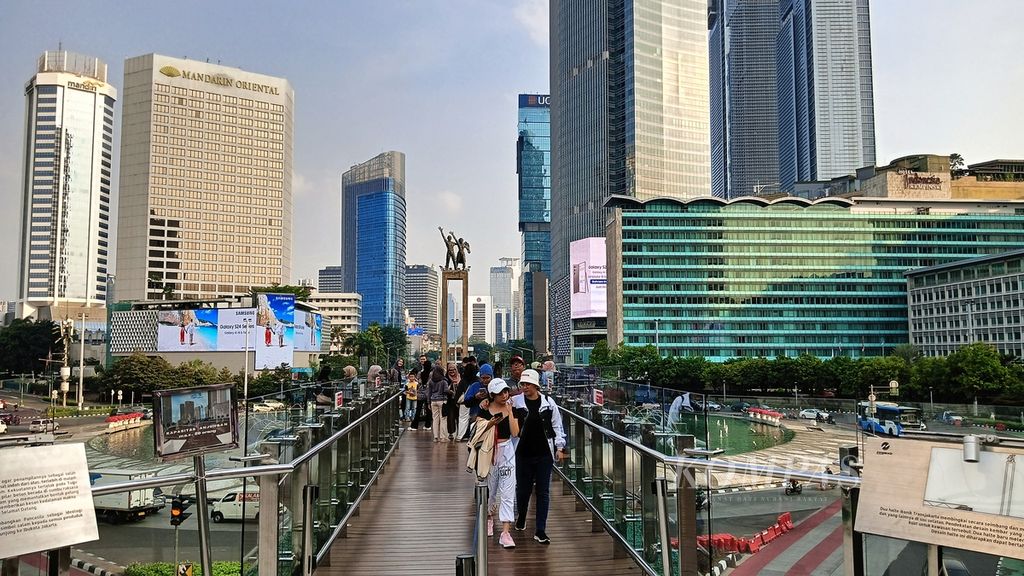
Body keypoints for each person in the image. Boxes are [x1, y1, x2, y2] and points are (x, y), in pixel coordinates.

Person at [510, 369, 566, 545]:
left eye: (527, 384)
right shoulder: (515, 402)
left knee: (543, 491)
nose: (524, 387)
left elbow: (557, 426)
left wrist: (560, 447)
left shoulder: (549, 403)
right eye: (522, 384)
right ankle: (522, 514)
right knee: (522, 489)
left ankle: (540, 529)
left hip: (544, 454)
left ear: (535, 385)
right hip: (522, 452)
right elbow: (500, 409)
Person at [476, 378, 520, 548]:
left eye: (506, 391)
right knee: (491, 489)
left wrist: (509, 412)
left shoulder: (511, 408)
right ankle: (489, 518)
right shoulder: (485, 409)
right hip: (490, 452)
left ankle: (506, 531)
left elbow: (515, 433)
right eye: (500, 392)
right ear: (492, 394)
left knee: (508, 492)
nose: (504, 395)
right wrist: (490, 423)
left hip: (507, 451)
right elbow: (478, 433)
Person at [428, 365, 450, 442]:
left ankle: (435, 437)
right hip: (442, 401)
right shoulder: (444, 381)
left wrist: (428, 402)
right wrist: (451, 391)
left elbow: (429, 392)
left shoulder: (431, 381)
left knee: (435, 419)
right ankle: (443, 437)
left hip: (433, 401)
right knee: (443, 419)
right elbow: (446, 391)